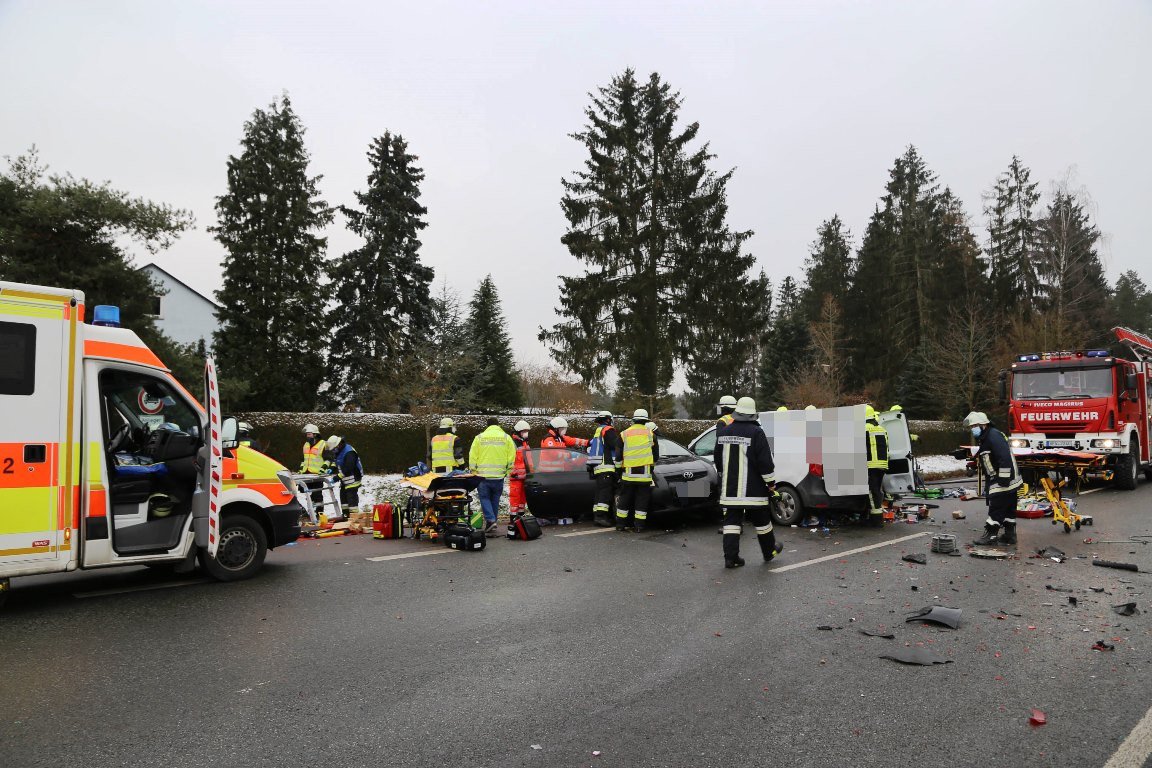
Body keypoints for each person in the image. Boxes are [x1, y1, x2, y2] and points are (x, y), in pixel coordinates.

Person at [713, 397, 783, 568]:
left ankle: (731, 558)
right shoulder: (756, 433)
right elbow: (765, 462)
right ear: (753, 415)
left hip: (730, 488)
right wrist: (771, 483)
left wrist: (725, 475)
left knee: (731, 523)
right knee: (762, 521)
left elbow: (718, 458)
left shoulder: (724, 432)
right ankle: (769, 551)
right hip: (754, 489)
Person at [964, 411, 1022, 546]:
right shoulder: (988, 436)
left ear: (983, 424)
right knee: (1008, 509)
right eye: (971, 427)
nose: (973, 429)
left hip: (1003, 480)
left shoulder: (992, 436)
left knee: (996, 508)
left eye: (975, 426)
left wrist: (1003, 479)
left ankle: (990, 535)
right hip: (1008, 480)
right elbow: (990, 459)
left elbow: (1004, 458)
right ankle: (1010, 535)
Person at [469, 417, 516, 537]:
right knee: (495, 499)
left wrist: (473, 470)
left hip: (483, 476)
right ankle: (492, 523)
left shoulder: (479, 438)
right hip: (499, 476)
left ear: (487, 425)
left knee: (484, 498)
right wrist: (508, 470)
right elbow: (512, 455)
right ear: (498, 425)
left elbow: (473, 455)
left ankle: (491, 520)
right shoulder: (506, 438)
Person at [616, 409, 659, 532]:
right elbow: (656, 456)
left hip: (628, 475)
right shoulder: (651, 434)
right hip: (644, 475)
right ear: (646, 421)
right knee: (642, 500)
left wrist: (618, 472)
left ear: (633, 420)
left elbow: (618, 457)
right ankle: (639, 526)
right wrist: (651, 469)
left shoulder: (624, 434)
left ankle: (620, 525)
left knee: (624, 499)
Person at [586, 410, 621, 527]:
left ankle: (598, 515)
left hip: (598, 467)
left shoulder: (598, 431)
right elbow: (615, 444)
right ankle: (601, 517)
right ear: (608, 419)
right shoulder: (608, 430)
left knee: (600, 492)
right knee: (605, 493)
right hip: (606, 466)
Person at [325, 435, 363, 519]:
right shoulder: (339, 450)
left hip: (353, 478)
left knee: (351, 499)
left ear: (338, 444)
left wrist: (337, 477)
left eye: (334, 448)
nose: (334, 451)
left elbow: (349, 468)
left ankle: (354, 518)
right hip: (345, 479)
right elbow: (336, 461)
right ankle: (346, 515)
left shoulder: (349, 452)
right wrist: (331, 468)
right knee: (343, 498)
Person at [865, 405, 889, 526]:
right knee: (877, 490)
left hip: (871, 465)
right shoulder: (881, 429)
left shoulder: (864, 429)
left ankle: (876, 520)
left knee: (872, 491)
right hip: (882, 464)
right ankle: (876, 516)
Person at [510, 420, 532, 515]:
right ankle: (513, 517)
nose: (526, 433)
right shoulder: (513, 443)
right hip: (516, 476)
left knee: (523, 498)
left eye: (527, 431)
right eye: (524, 431)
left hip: (525, 476)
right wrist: (513, 472)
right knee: (515, 498)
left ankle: (520, 515)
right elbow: (511, 459)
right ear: (518, 432)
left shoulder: (525, 443)